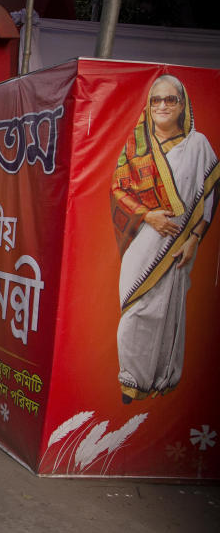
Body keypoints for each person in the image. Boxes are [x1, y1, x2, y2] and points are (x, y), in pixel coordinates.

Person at [111, 74, 219, 403]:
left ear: (182, 104)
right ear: (148, 106)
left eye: (170, 99)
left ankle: (162, 378)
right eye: (156, 100)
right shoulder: (136, 145)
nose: (162, 106)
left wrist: (195, 238)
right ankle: (131, 378)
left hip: (179, 246)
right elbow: (118, 190)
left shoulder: (198, 145)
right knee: (136, 309)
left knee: (168, 307)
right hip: (142, 243)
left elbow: (210, 197)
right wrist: (148, 215)